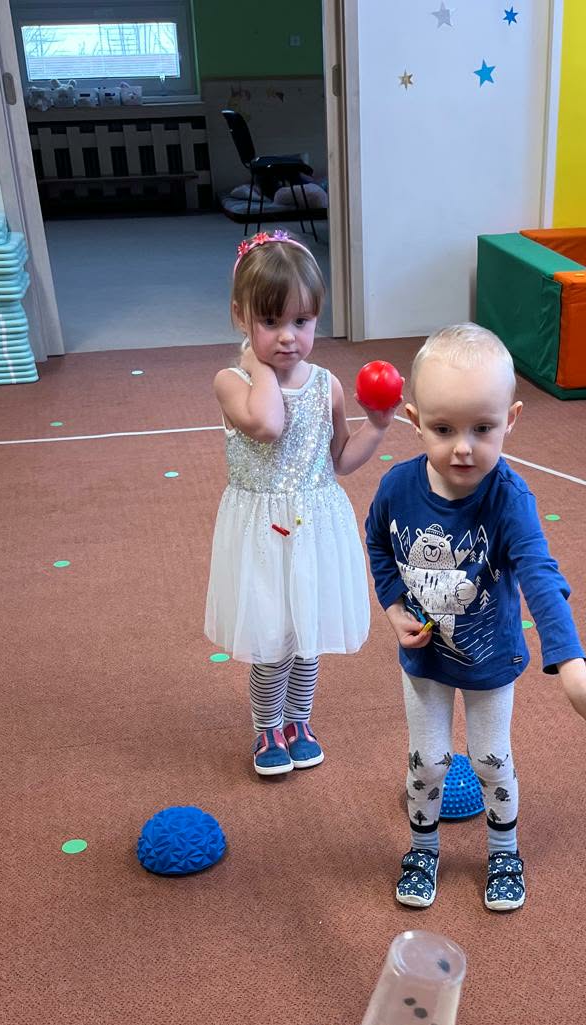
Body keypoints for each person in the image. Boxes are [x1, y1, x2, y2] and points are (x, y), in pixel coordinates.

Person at [365, 322, 586, 911]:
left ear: (510, 420)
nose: (463, 448)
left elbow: (541, 579)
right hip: (424, 659)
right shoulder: (396, 488)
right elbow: (379, 542)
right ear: (414, 420)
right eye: (444, 429)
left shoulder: (509, 499)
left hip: (490, 661)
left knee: (490, 761)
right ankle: (423, 849)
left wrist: (573, 673)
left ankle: (504, 852)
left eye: (482, 429)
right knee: (427, 761)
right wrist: (392, 608)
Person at [205, 231, 393, 776]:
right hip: (261, 532)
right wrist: (259, 366)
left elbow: (340, 460)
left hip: (314, 525)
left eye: (302, 321)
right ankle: (267, 728)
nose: (288, 337)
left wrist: (378, 426)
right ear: (240, 317)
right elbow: (267, 425)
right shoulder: (232, 381)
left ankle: (299, 721)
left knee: (306, 637)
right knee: (271, 641)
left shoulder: (327, 385)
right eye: (270, 322)